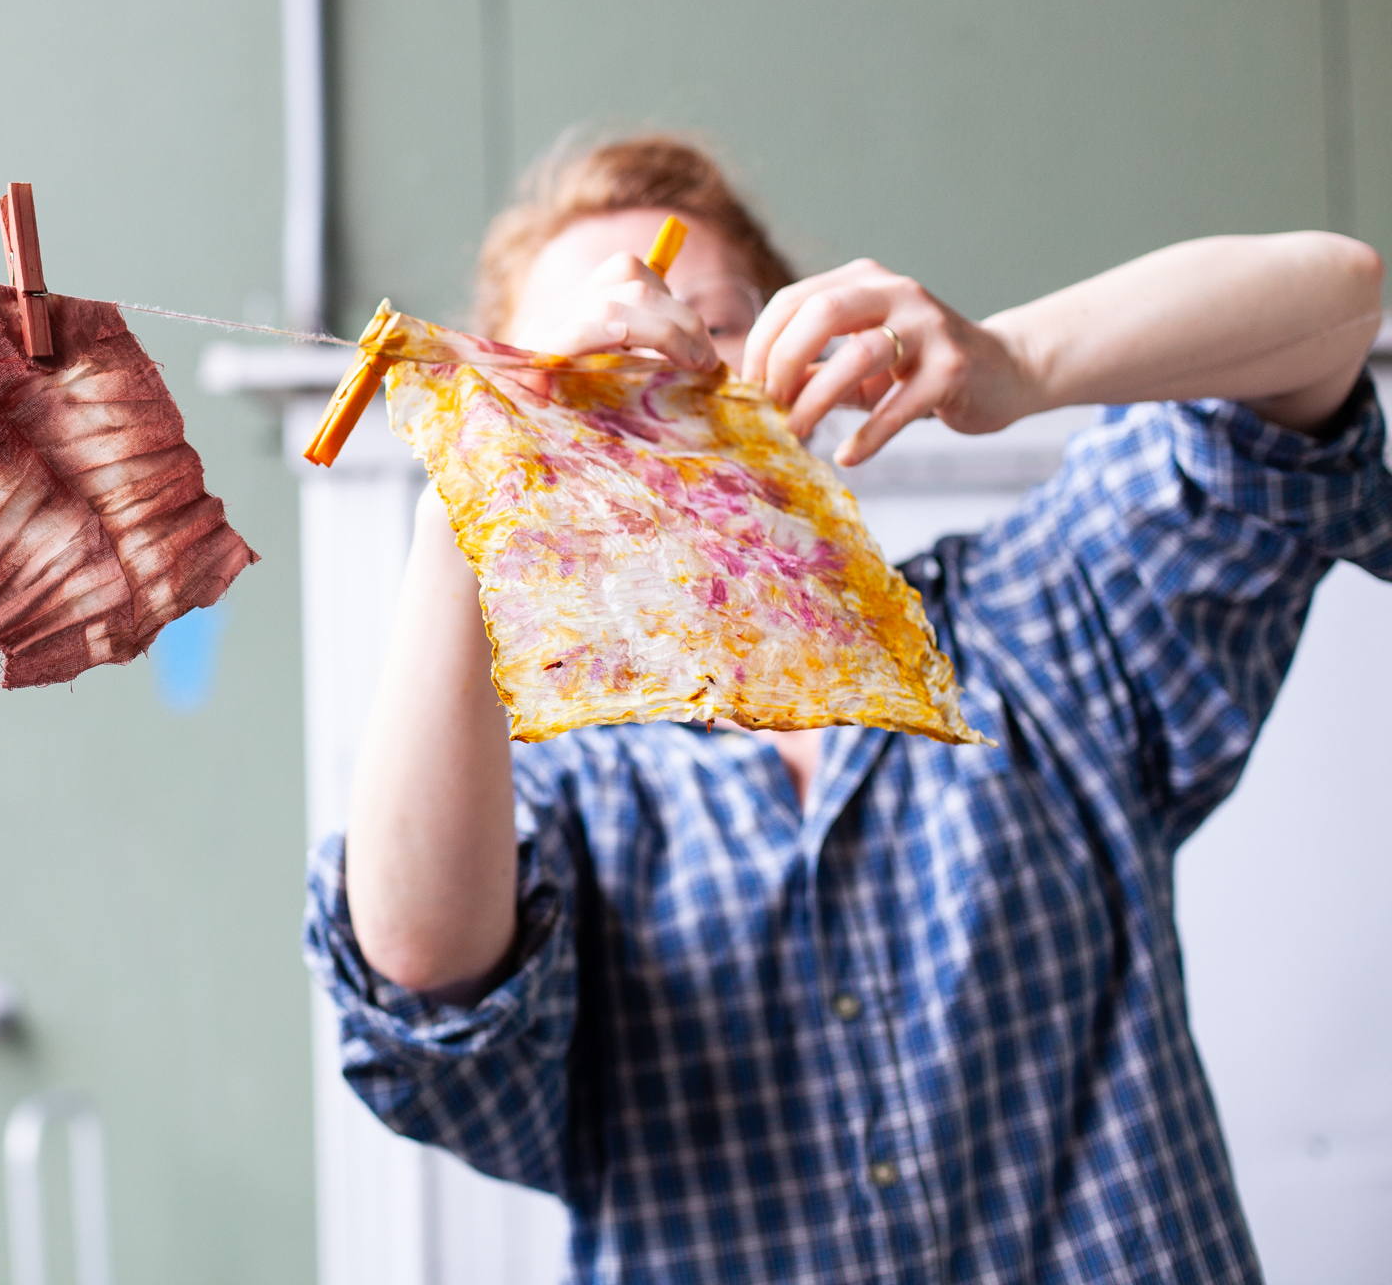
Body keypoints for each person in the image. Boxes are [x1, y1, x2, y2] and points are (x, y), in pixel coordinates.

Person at [305, 134, 1390, 1281]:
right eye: (569, 359)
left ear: (802, 369)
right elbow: (425, 971)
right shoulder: (556, 802)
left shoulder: (1034, 620)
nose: (643, 362)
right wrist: (466, 502)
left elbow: (1336, 299)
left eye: (706, 321)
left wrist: (1014, 356)